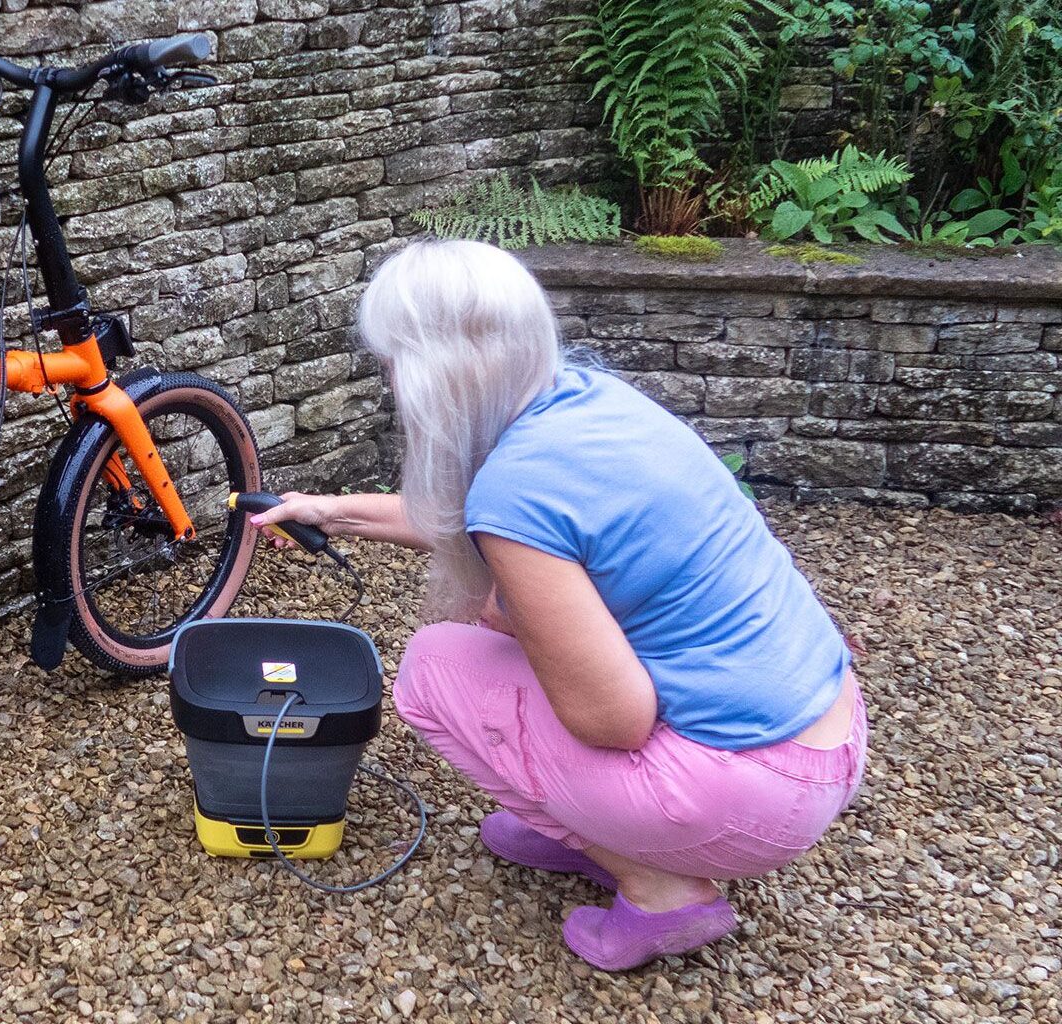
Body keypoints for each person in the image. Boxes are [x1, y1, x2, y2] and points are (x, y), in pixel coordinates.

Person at [248, 239, 866, 971]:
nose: (389, 380)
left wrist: (515, 617)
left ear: (429, 375)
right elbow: (469, 515)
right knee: (503, 645)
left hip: (757, 794)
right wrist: (332, 510)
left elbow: (614, 719)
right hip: (825, 732)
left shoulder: (514, 495)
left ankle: (659, 886)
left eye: (392, 362)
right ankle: (596, 828)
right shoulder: (586, 401)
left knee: (432, 670)